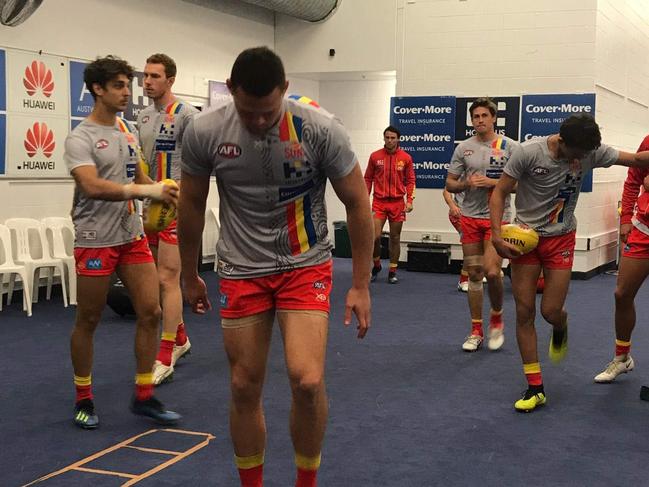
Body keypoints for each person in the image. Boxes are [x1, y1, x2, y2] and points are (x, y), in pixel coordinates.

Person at [177, 47, 373, 487]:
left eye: (268, 112)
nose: (259, 122)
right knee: (245, 385)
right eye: (249, 113)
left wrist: (361, 284)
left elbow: (358, 203)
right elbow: (189, 203)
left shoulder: (321, 129)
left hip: (304, 265)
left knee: (307, 381)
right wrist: (189, 274)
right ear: (231, 92)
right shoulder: (206, 131)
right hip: (242, 268)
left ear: (285, 90)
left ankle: (306, 481)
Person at [490, 114, 649, 412]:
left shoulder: (590, 151)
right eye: (578, 153)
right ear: (562, 142)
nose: (582, 159)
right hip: (524, 238)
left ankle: (561, 324)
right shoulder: (528, 152)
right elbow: (499, 192)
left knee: (550, 311)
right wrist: (496, 235)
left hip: (560, 239)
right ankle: (535, 387)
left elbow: (638, 160)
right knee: (524, 311)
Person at [64, 56, 181, 429]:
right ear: (98, 89)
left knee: (151, 311)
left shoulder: (128, 129)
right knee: (89, 318)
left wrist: (159, 192)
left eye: (127, 85)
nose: (127, 92)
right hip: (96, 239)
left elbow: (139, 172)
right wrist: (142, 189)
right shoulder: (79, 138)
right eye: (118, 86)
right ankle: (84, 397)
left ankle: (144, 395)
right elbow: (91, 186)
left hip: (131, 237)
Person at [137, 53, 199, 385]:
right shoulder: (143, 117)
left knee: (167, 279)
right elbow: (141, 164)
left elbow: (196, 168)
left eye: (154, 76)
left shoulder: (188, 116)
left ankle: (165, 353)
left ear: (170, 80)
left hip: (177, 208)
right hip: (149, 209)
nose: (147, 81)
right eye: (145, 76)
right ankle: (181, 338)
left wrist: (182, 202)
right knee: (154, 280)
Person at [445, 98, 518, 352]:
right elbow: (450, 184)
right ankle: (476, 330)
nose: (480, 120)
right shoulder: (463, 148)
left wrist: (494, 184)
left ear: (493, 118)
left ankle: (496, 316)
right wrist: (467, 184)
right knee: (474, 274)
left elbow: (521, 185)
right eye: (475, 117)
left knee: (491, 271)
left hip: (498, 219)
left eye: (484, 116)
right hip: (470, 217)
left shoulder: (510, 147)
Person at [593, 134, 649, 383]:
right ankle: (622, 357)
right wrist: (626, 218)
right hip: (644, 230)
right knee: (622, 294)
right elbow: (633, 180)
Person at [364, 126, 415, 284]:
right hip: (379, 202)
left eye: (393, 138)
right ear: (384, 138)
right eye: (387, 137)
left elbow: (410, 180)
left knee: (395, 237)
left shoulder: (406, 158)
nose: (390, 140)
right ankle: (377, 264)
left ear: (398, 139)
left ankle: (392, 271)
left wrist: (410, 200)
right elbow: (368, 178)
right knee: (375, 236)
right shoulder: (375, 156)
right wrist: (364, 199)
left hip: (397, 203)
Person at [443, 188, 469, 291]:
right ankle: (464, 280)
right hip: (460, 214)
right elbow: (446, 191)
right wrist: (452, 206)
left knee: (481, 246)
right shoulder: (460, 173)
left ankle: (476, 272)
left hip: (479, 214)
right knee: (470, 245)